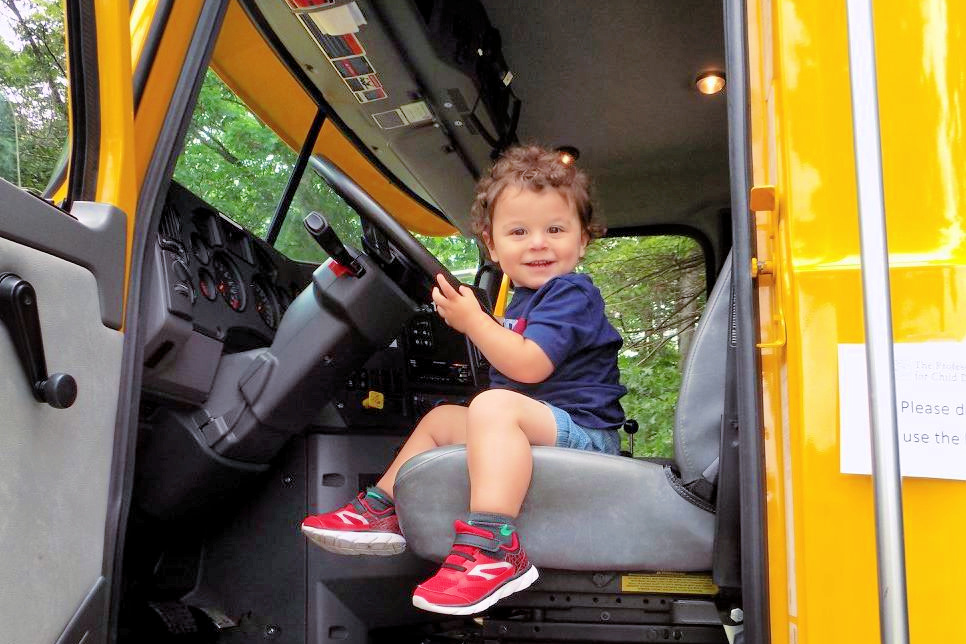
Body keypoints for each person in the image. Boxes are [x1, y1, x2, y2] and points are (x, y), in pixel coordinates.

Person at [300, 144, 626, 615]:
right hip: (551, 425)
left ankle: (494, 549)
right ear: (492, 246)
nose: (538, 243)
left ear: (583, 241)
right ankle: (383, 508)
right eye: (519, 231)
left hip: (587, 434)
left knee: (491, 406)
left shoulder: (570, 293)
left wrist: (473, 322)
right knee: (444, 418)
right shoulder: (525, 298)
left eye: (555, 229)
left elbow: (529, 365)